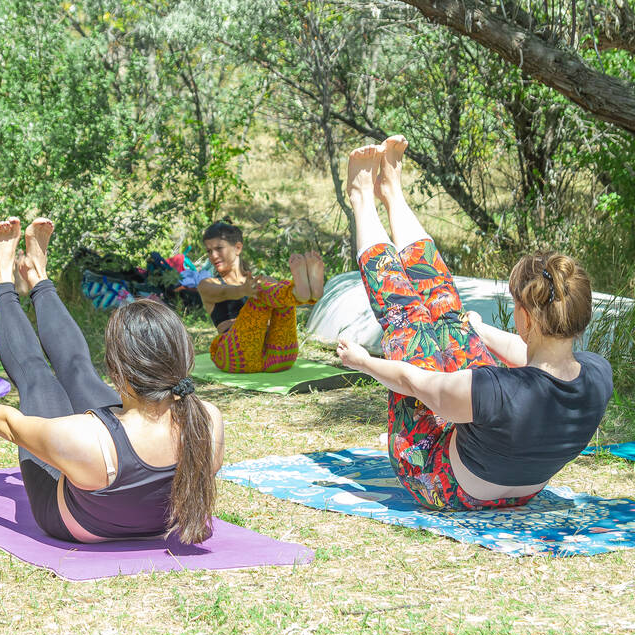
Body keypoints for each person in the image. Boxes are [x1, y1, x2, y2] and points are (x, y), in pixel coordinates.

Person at [335, 135, 613, 510]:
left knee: (410, 324)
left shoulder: (497, 390)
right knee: (451, 318)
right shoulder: (597, 373)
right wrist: (477, 330)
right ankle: (393, 193)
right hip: (521, 486)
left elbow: (410, 382)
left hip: (442, 481)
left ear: (525, 318)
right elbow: (531, 354)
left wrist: (362, 362)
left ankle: (361, 200)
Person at [0, 217, 225, 544]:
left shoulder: (85, 438)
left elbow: (14, 426)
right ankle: (38, 278)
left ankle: (2, 281)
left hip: (76, 517)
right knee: (77, 371)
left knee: (37, 378)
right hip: (142, 506)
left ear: (118, 372)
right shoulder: (207, 419)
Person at [197, 219, 326, 373]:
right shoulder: (207, 284)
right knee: (261, 290)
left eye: (219, 248)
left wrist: (259, 287)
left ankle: (301, 292)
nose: (213, 256)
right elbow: (225, 292)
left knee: (272, 289)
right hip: (236, 356)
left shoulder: (261, 281)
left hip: (277, 356)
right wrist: (243, 291)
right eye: (209, 251)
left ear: (237, 248)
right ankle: (300, 293)